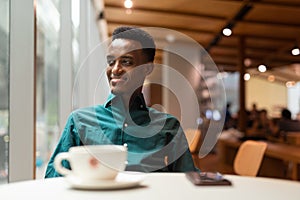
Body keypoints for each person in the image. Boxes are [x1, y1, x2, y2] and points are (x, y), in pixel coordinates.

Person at [45, 26, 198, 178]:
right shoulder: (79, 122)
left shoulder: (168, 126)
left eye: (126, 62)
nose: (115, 69)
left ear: (147, 68)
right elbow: (53, 181)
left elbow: (189, 181)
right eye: (111, 61)